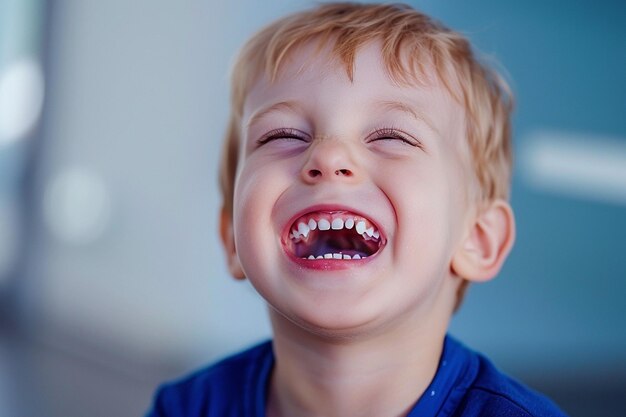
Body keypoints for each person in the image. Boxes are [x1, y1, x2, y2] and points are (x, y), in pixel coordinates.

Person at [146, 3, 567, 416]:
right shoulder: (185, 407)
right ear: (232, 239)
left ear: (477, 240)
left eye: (392, 136)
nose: (328, 156)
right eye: (282, 135)